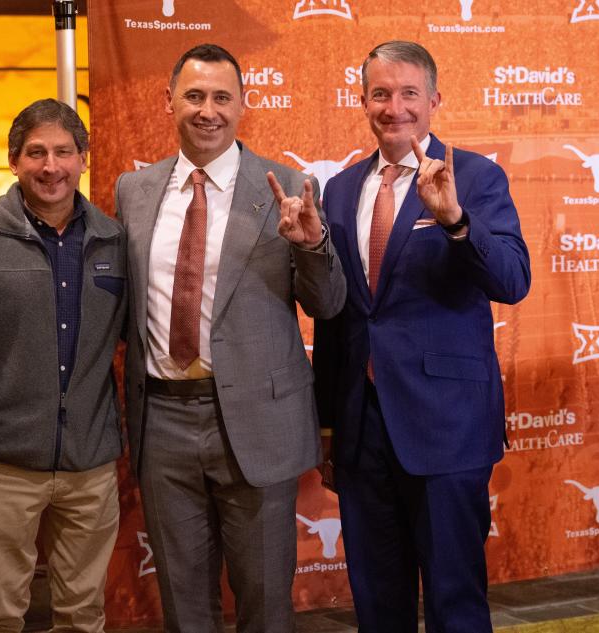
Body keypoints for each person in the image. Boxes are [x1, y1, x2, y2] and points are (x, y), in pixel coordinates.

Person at [115, 43, 346, 633]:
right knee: (184, 608)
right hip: (162, 421)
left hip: (256, 424)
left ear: (245, 104)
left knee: (265, 606)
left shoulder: (289, 187)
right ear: (168, 101)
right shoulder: (133, 191)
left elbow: (329, 303)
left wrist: (312, 247)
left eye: (222, 97)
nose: (207, 110)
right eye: (194, 96)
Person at [314, 40, 531, 633]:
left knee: (454, 601)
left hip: (448, 428)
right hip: (362, 432)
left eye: (409, 92)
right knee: (378, 606)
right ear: (362, 101)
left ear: (433, 99)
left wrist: (456, 221)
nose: (395, 106)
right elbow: (339, 317)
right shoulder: (339, 189)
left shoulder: (477, 177)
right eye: (381, 93)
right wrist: (329, 427)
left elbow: (513, 281)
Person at [0, 98, 127, 633]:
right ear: (13, 161)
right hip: (4, 467)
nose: (51, 166)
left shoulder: (113, 239)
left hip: (90, 467)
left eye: (64, 152)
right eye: (36, 152)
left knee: (84, 617)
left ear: (84, 159)